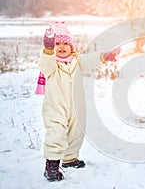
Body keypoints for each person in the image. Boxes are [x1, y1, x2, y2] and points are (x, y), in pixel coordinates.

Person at [36, 21, 121, 181]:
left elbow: (90, 60)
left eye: (65, 43)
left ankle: (69, 159)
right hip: (56, 108)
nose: (61, 47)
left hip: (75, 107)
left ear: (71, 47)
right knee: (57, 133)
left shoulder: (77, 61)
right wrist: (47, 49)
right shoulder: (52, 65)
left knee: (75, 134)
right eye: (57, 44)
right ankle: (52, 166)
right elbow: (44, 62)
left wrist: (105, 57)